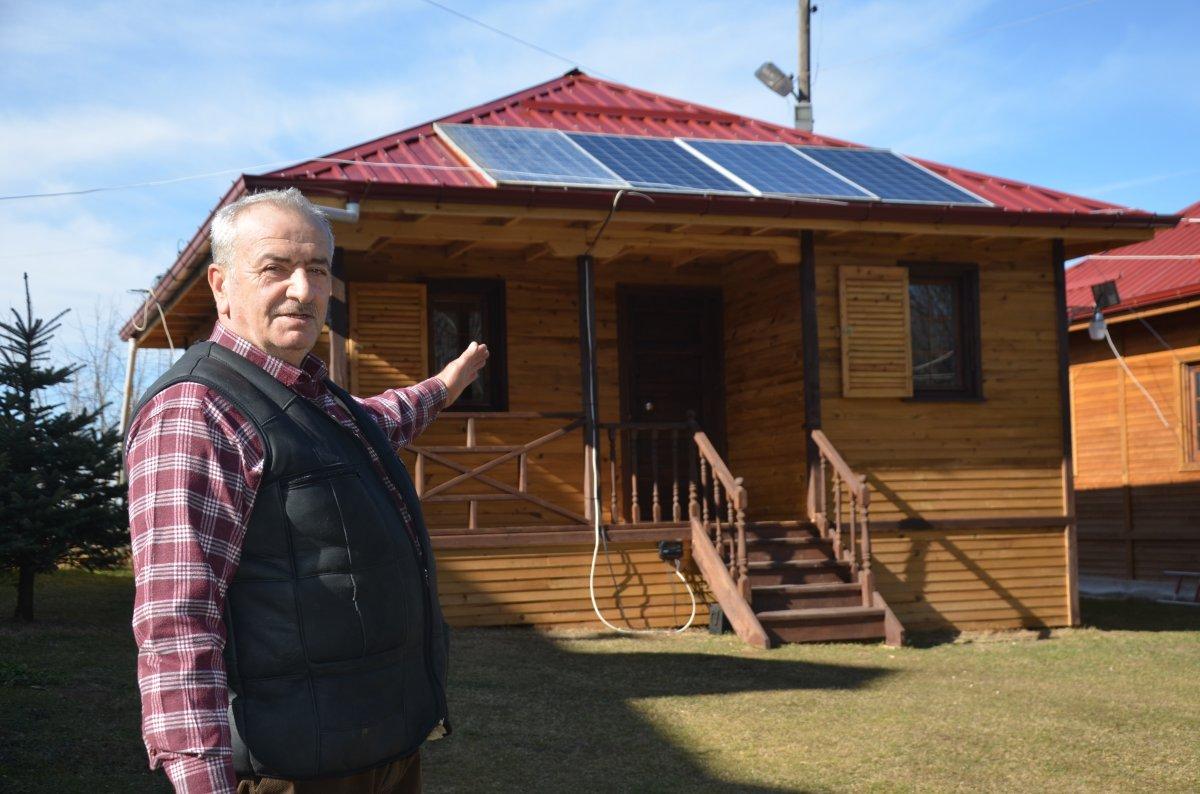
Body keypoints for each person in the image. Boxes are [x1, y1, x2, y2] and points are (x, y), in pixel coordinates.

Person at [125, 188, 488, 793]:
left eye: (317, 270)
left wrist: (443, 387)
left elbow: (379, 422)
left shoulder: (314, 398)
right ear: (221, 284)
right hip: (292, 770)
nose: (303, 289)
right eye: (275, 268)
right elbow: (178, 620)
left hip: (378, 748)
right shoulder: (198, 410)